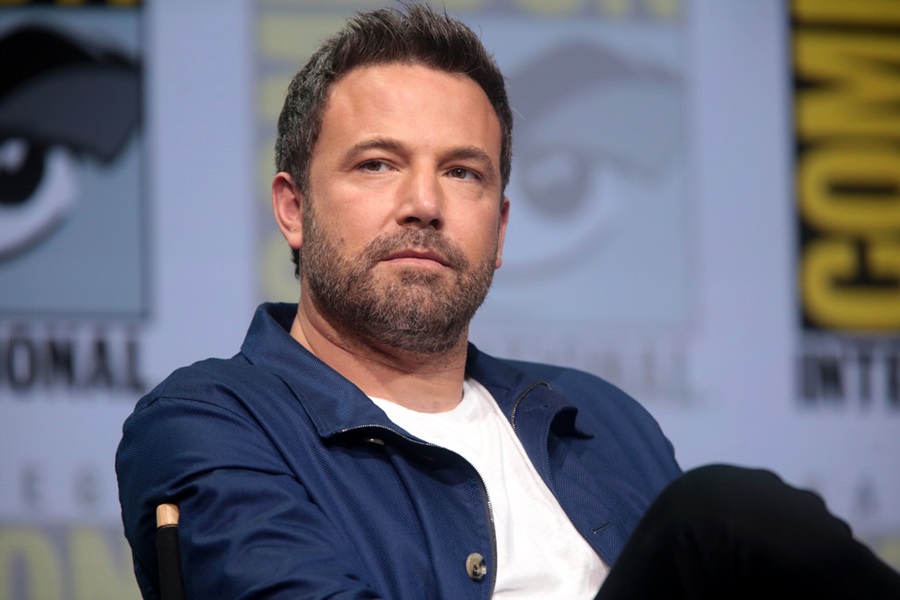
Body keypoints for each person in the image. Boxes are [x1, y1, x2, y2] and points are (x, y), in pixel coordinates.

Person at [116, 5, 900, 599]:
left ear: (500, 226)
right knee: (722, 518)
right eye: (379, 164)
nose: (424, 205)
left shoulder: (603, 422)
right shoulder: (210, 420)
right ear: (293, 209)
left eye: (463, 173)